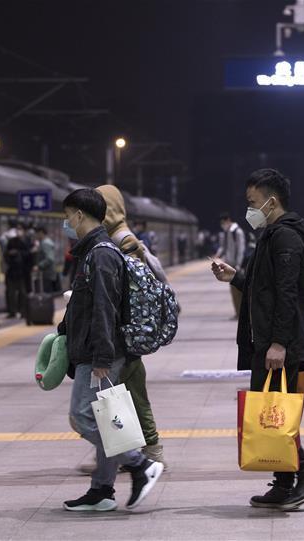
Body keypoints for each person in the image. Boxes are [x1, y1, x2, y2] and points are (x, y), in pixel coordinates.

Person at [211, 168, 304, 510]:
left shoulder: (285, 237)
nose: (249, 209)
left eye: (253, 203)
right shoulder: (272, 235)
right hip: (267, 341)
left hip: (279, 344)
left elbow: (286, 293)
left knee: (275, 416)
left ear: (272, 202)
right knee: (273, 413)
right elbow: (264, 287)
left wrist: (279, 342)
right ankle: (283, 482)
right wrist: (236, 278)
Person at [58, 188, 163, 512]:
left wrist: (102, 357)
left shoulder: (101, 254)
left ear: (79, 215)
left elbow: (105, 308)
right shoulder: (93, 251)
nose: (66, 223)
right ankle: (102, 490)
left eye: (67, 216)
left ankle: (139, 464)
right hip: (96, 350)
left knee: (82, 416)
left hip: (100, 354)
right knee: (106, 419)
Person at [93, 184, 171, 470]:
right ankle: (131, 452)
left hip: (125, 333)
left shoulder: (123, 242)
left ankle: (150, 452)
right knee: (126, 393)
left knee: (132, 394)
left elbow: (127, 291)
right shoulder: (119, 237)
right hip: (125, 332)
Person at [215, 212, 247, 319]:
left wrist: (238, 264)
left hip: (237, 266)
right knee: (234, 291)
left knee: (239, 291)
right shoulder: (227, 232)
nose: (222, 225)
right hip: (230, 264)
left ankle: (241, 314)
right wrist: (218, 255)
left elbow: (241, 249)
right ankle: (238, 313)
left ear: (228, 220)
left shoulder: (237, 232)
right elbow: (224, 247)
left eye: (223, 222)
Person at [4, 224, 31, 319]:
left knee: (23, 293)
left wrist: (18, 253)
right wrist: (10, 255)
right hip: (12, 271)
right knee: (11, 293)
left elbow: (29, 255)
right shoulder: (11, 242)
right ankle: (12, 311)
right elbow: (6, 254)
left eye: (20, 229)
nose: (19, 231)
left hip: (22, 272)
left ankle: (23, 311)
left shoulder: (26, 242)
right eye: (17, 229)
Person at [33, 227, 58, 293]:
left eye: (36, 233)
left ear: (41, 232)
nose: (35, 235)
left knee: (47, 293)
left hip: (47, 273)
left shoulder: (45, 243)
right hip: (47, 273)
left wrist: (39, 266)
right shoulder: (44, 242)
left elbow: (50, 258)